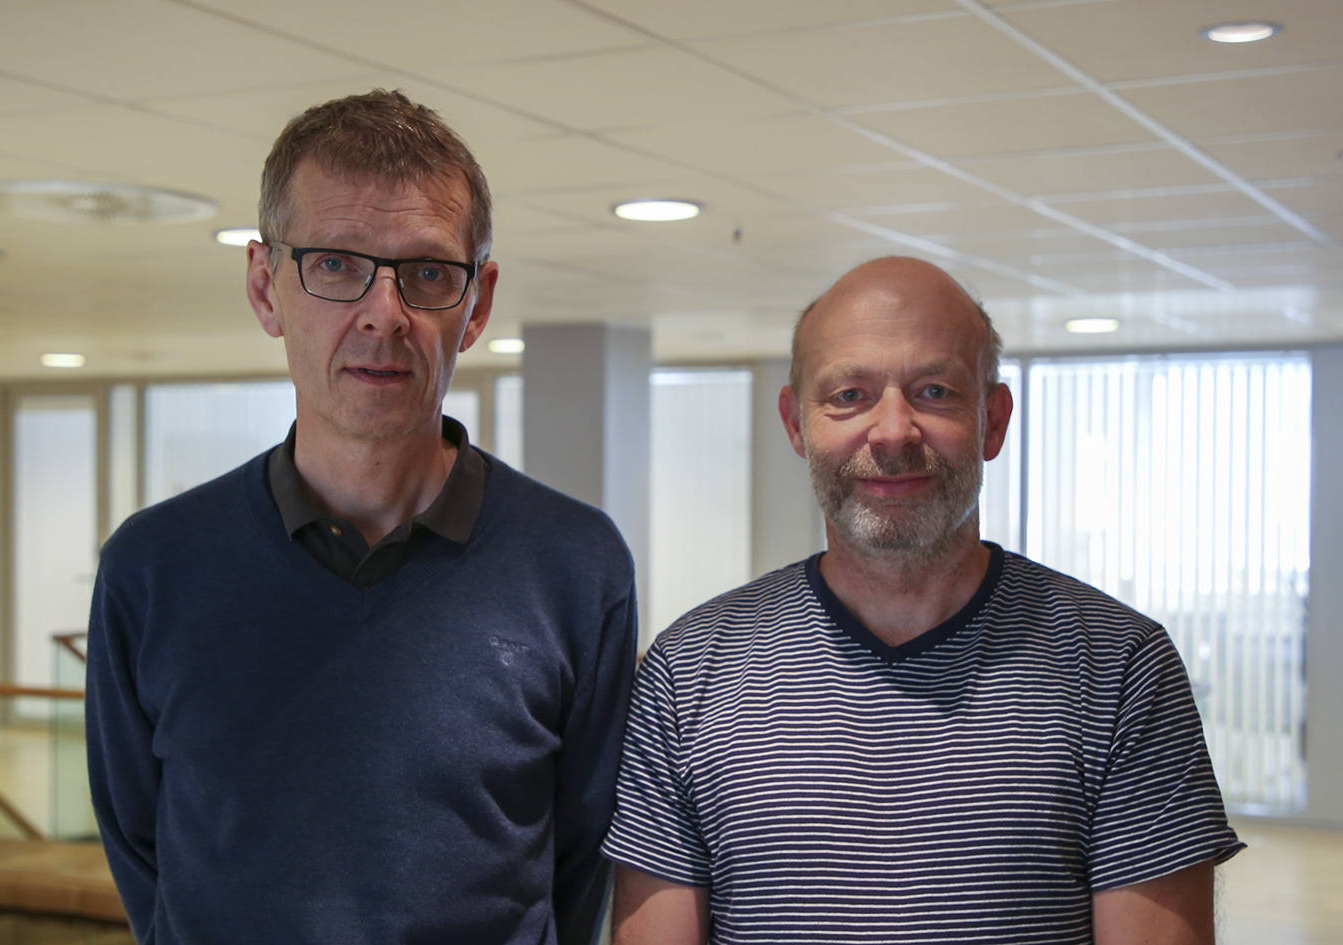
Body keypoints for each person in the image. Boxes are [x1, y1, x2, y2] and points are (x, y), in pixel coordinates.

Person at [86, 89, 638, 945]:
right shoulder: (153, 568)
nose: (385, 313)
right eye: (336, 264)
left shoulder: (574, 564)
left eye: (425, 272)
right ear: (265, 287)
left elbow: (578, 864)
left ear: (477, 302)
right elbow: (142, 852)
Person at [601, 256, 1242, 945]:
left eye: (933, 390)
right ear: (795, 424)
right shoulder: (689, 669)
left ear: (992, 420)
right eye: (848, 394)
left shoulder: (1117, 667)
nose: (892, 432)